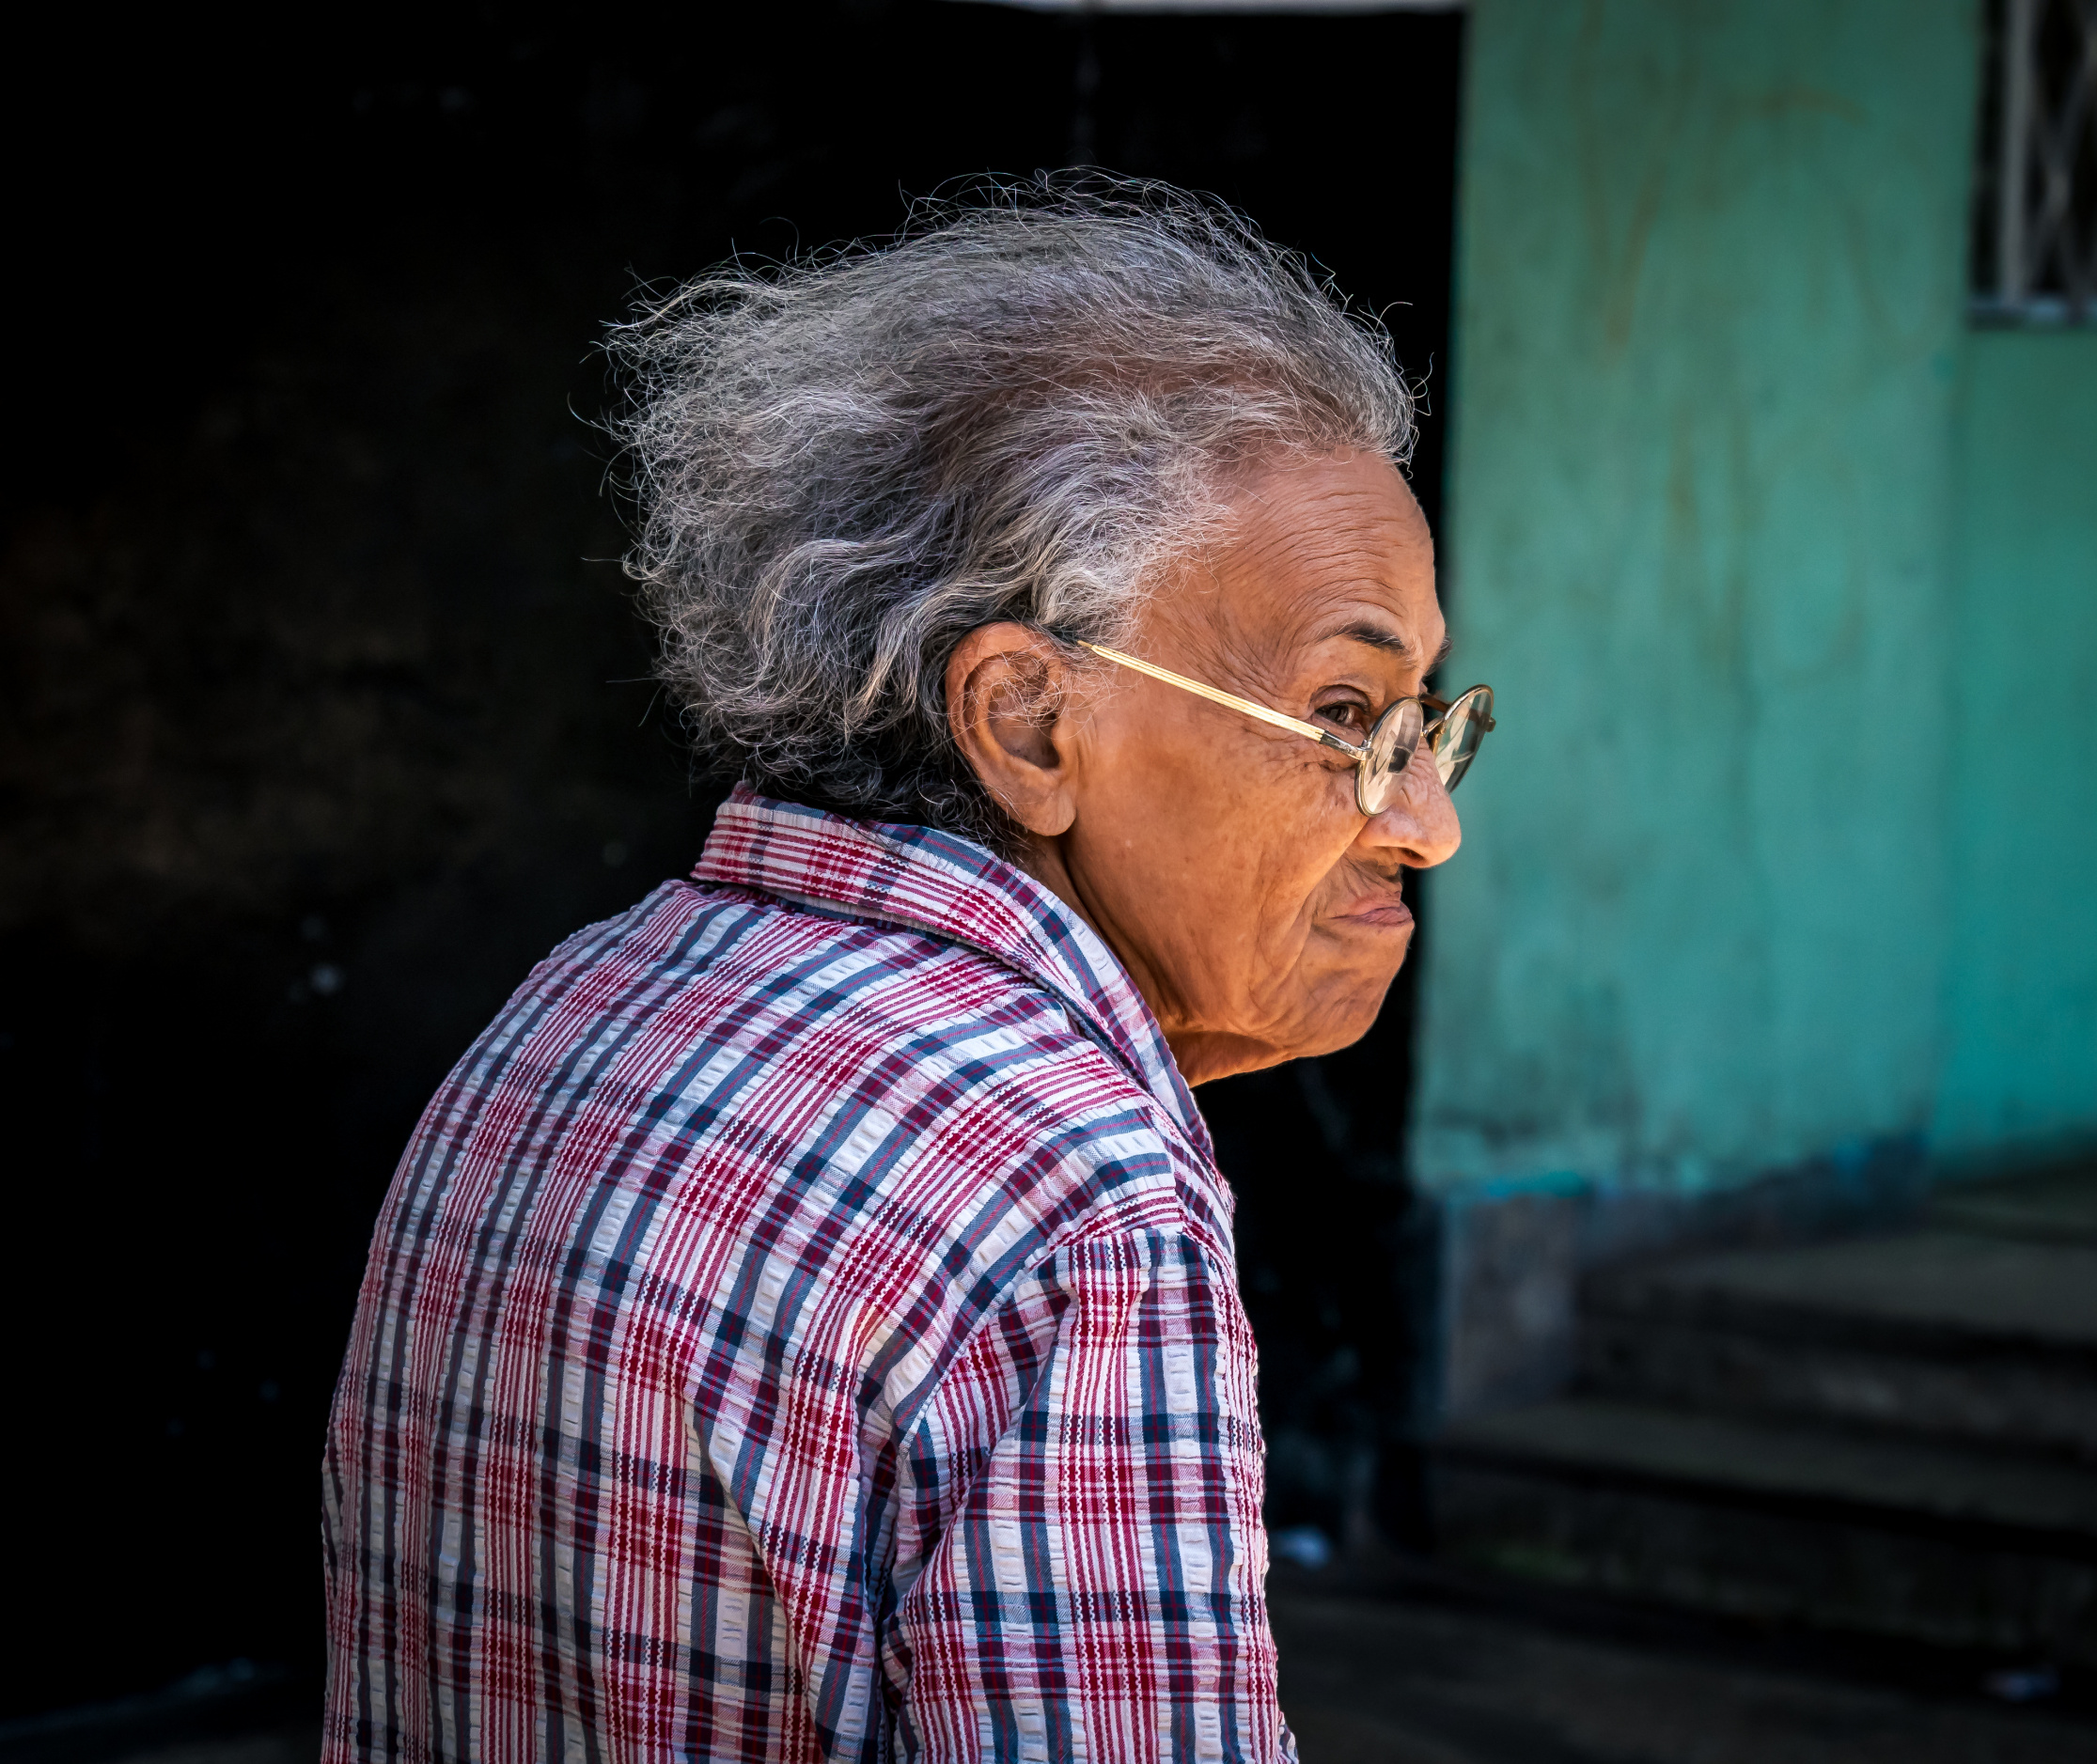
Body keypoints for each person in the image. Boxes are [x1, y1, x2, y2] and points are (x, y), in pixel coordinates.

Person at [321, 184, 1493, 1763]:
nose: (1426, 820)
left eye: (1430, 724)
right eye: (1347, 717)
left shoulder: (574, 1004)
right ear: (1027, 721)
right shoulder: (1081, 1193)